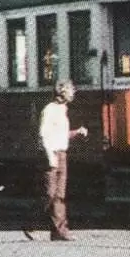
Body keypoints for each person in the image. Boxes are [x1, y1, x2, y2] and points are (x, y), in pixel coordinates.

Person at [31, 80, 88, 241]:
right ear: (61, 92)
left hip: (62, 154)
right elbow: (43, 135)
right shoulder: (50, 109)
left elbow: (61, 134)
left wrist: (77, 132)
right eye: (71, 90)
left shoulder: (63, 109)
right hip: (51, 154)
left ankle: (60, 231)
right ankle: (31, 223)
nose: (73, 93)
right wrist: (50, 156)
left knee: (60, 195)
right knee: (49, 193)